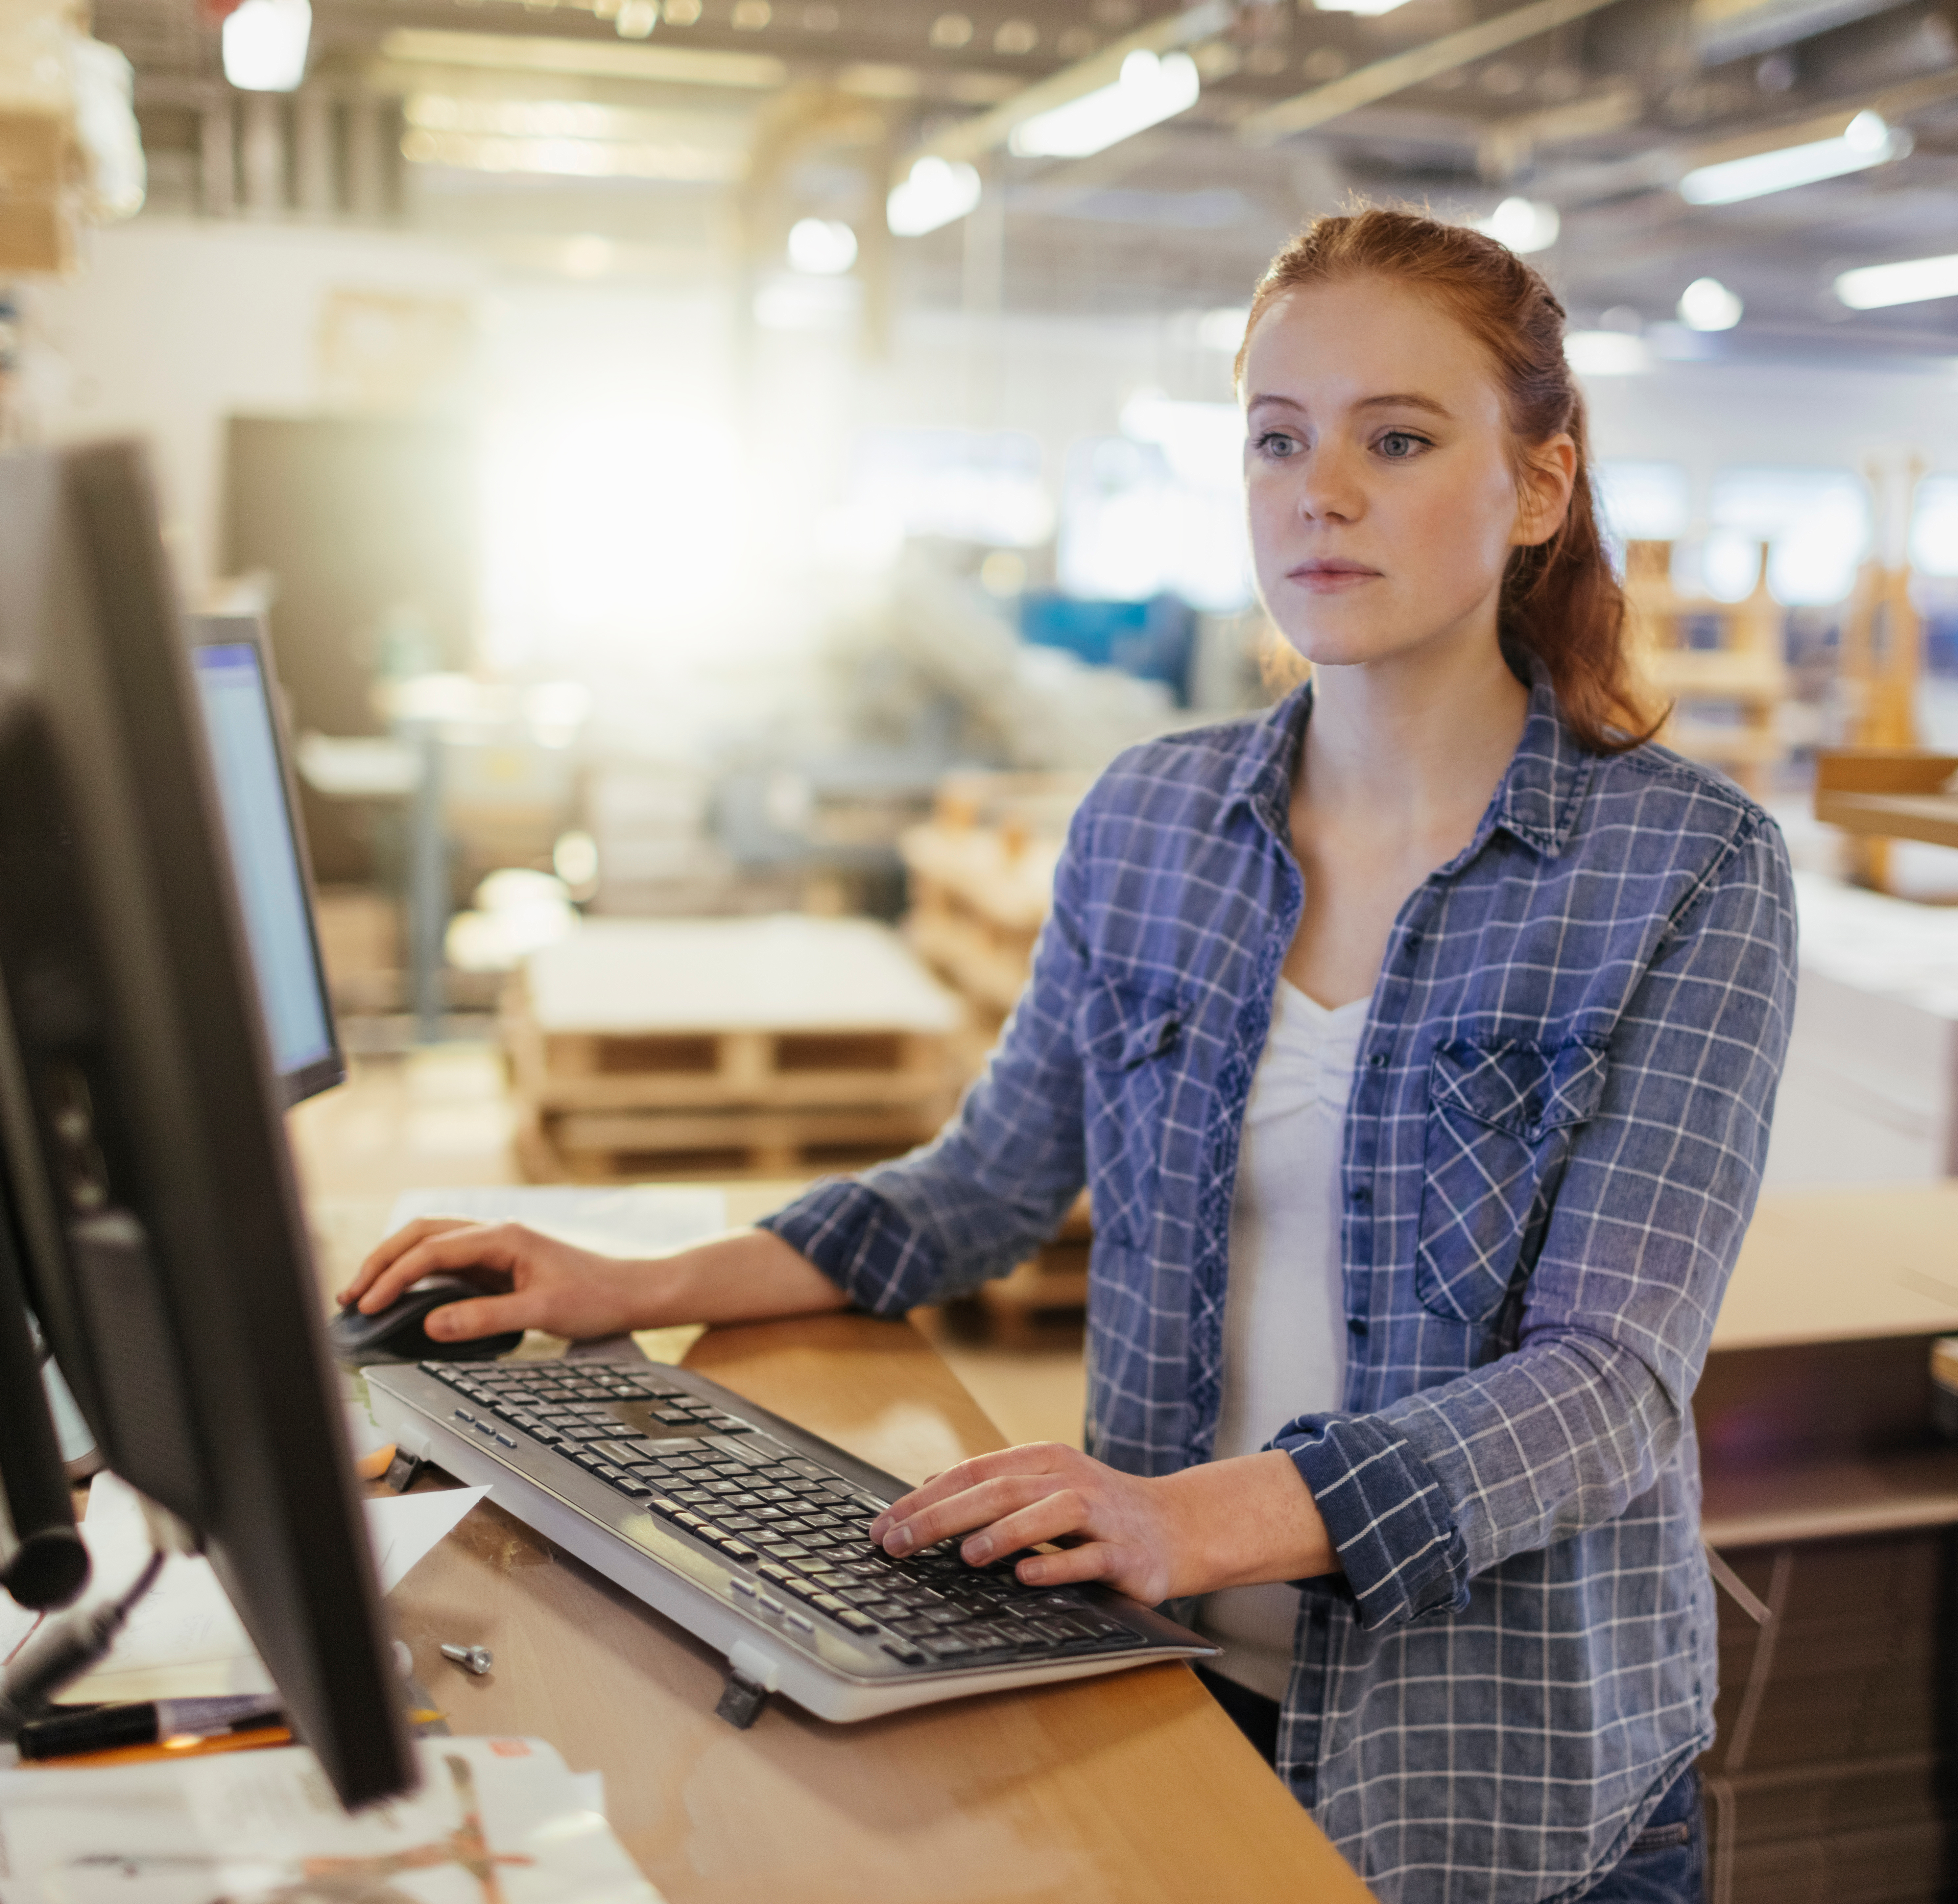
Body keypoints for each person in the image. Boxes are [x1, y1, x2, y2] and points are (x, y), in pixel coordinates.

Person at [342, 204, 1797, 1904]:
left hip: (1501, 1791)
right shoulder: (1151, 825)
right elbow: (978, 1190)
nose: (1319, 490)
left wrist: (1181, 1517)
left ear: (1538, 486)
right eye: (1277, 440)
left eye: (1396, 439)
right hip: (1164, 1694)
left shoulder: (1687, 872)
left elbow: (1606, 1391)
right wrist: (628, 1282)